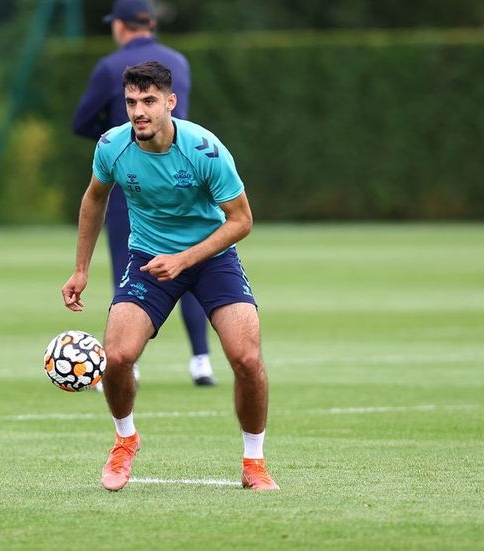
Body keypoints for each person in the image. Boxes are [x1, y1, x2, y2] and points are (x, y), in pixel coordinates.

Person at [61, 62, 279, 492]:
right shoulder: (112, 147)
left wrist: (184, 258)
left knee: (247, 359)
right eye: (130, 102)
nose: (138, 111)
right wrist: (81, 268)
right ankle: (125, 441)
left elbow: (241, 221)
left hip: (212, 257)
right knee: (118, 357)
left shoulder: (205, 149)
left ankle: (254, 462)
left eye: (149, 101)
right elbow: (94, 199)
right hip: (148, 259)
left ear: (170, 103)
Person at [72, 0, 215, 386]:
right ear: (150, 23)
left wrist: (113, 132)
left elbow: (82, 121)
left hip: (132, 183)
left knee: (131, 269)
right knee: (190, 265)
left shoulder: (109, 68)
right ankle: (201, 360)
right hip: (185, 175)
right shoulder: (178, 63)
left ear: (120, 26)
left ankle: (128, 362)